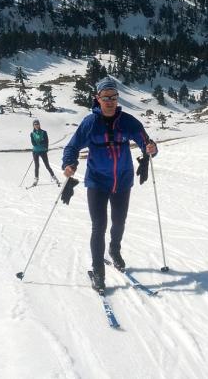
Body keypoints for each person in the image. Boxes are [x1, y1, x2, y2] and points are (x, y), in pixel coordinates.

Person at [62, 77, 158, 291]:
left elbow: (146, 141)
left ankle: (114, 250)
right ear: (98, 98)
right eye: (106, 97)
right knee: (99, 226)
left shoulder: (128, 121)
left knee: (119, 221)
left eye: (114, 97)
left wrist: (151, 148)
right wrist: (69, 164)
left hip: (123, 180)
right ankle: (98, 271)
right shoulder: (90, 123)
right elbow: (72, 147)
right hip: (97, 181)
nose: (110, 101)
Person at [30, 120, 60, 187]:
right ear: (33, 125)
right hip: (35, 151)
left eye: (37, 124)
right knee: (36, 166)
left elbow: (46, 142)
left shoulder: (44, 132)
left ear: (39, 125)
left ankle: (53, 177)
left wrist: (45, 148)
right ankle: (36, 179)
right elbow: (33, 143)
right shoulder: (32, 133)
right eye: (35, 124)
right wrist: (41, 142)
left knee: (47, 165)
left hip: (43, 151)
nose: (36, 125)